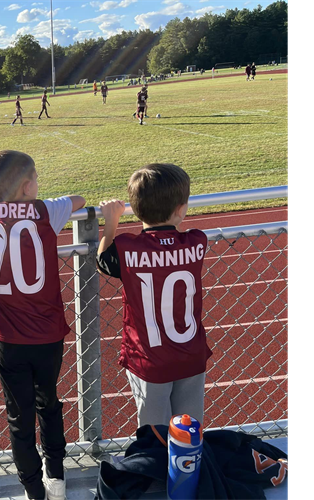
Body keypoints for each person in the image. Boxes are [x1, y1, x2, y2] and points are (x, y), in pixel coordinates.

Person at [0, 150, 85, 500]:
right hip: (47, 335)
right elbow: (80, 200)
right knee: (50, 403)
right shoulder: (44, 210)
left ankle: (33, 490)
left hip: (8, 336)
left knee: (19, 416)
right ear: (29, 185)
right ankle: (56, 480)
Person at [96, 163, 212, 427]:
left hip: (149, 357)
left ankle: (155, 467)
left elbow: (103, 261)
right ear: (181, 209)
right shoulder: (196, 241)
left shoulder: (128, 249)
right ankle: (188, 467)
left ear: (135, 209)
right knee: (189, 430)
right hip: (190, 354)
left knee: (154, 434)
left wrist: (111, 222)